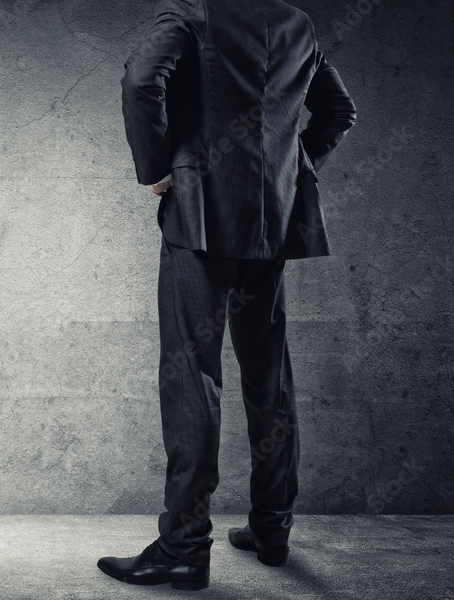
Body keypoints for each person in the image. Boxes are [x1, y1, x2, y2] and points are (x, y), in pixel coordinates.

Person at [97, 0, 357, 590]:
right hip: (270, 219)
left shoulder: (191, 11)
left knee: (193, 376)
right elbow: (338, 110)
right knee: (269, 375)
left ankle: (185, 547)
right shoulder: (294, 21)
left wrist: (156, 168)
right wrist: (289, 171)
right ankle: (272, 527)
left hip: (199, 217)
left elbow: (141, 80)